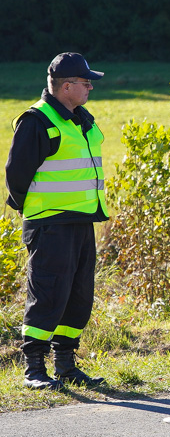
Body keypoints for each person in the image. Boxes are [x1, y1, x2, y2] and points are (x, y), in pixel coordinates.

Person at [5, 52, 109, 389]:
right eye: (84, 82)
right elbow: (16, 175)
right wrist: (37, 211)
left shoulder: (79, 118)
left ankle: (66, 365)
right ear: (66, 86)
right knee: (48, 295)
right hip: (50, 224)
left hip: (81, 220)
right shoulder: (38, 120)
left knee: (78, 296)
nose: (90, 86)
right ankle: (34, 369)